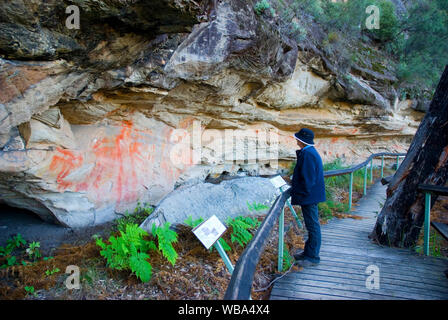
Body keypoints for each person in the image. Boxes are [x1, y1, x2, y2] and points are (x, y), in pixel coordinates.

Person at [290, 128, 326, 267]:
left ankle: (313, 257)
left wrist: (301, 194)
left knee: (313, 226)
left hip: (309, 197)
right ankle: (308, 253)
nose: (296, 140)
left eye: (297, 138)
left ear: (302, 140)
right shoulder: (308, 152)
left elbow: (308, 180)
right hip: (310, 196)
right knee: (312, 225)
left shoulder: (309, 154)